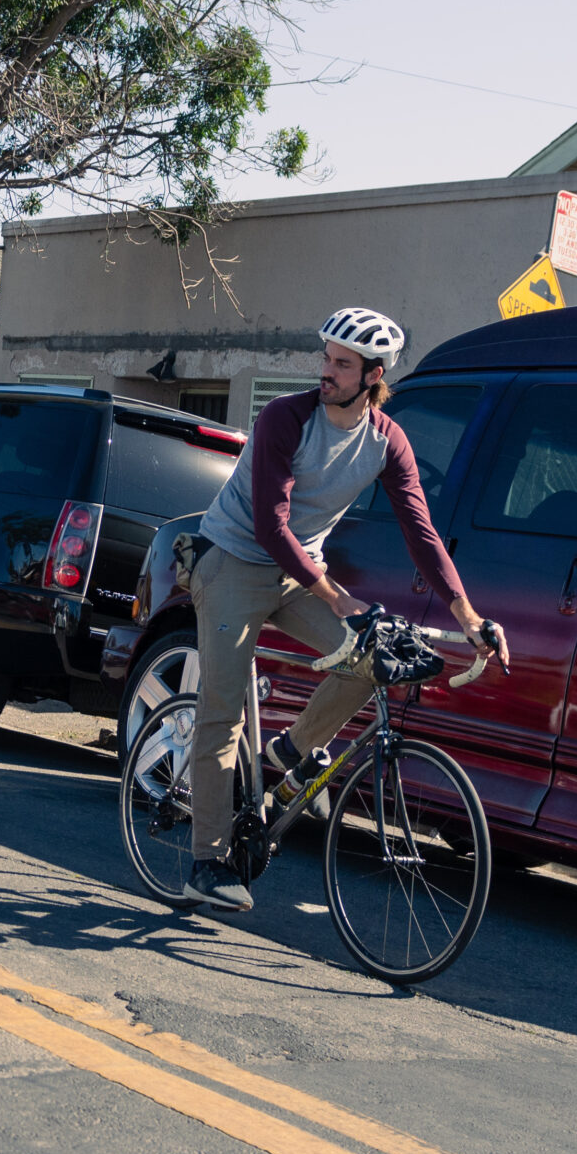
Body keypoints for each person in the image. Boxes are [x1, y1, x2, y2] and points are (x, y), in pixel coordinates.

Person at [177, 307, 508, 914]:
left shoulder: (387, 441)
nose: (325, 370)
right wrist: (338, 597)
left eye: (341, 363)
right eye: (326, 357)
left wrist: (469, 617)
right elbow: (272, 527)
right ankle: (207, 861)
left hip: (299, 573)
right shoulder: (286, 417)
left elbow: (422, 533)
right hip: (232, 559)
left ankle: (286, 754)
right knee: (222, 714)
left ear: (373, 375)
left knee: (373, 659)